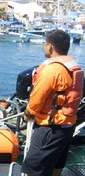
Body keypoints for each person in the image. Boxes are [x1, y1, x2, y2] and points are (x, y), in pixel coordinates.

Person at [21, 30, 84, 176]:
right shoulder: (74, 67)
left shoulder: (53, 70)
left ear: (49, 46)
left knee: (34, 170)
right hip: (67, 127)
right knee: (56, 168)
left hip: (50, 128)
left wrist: (28, 114)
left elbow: (37, 99)